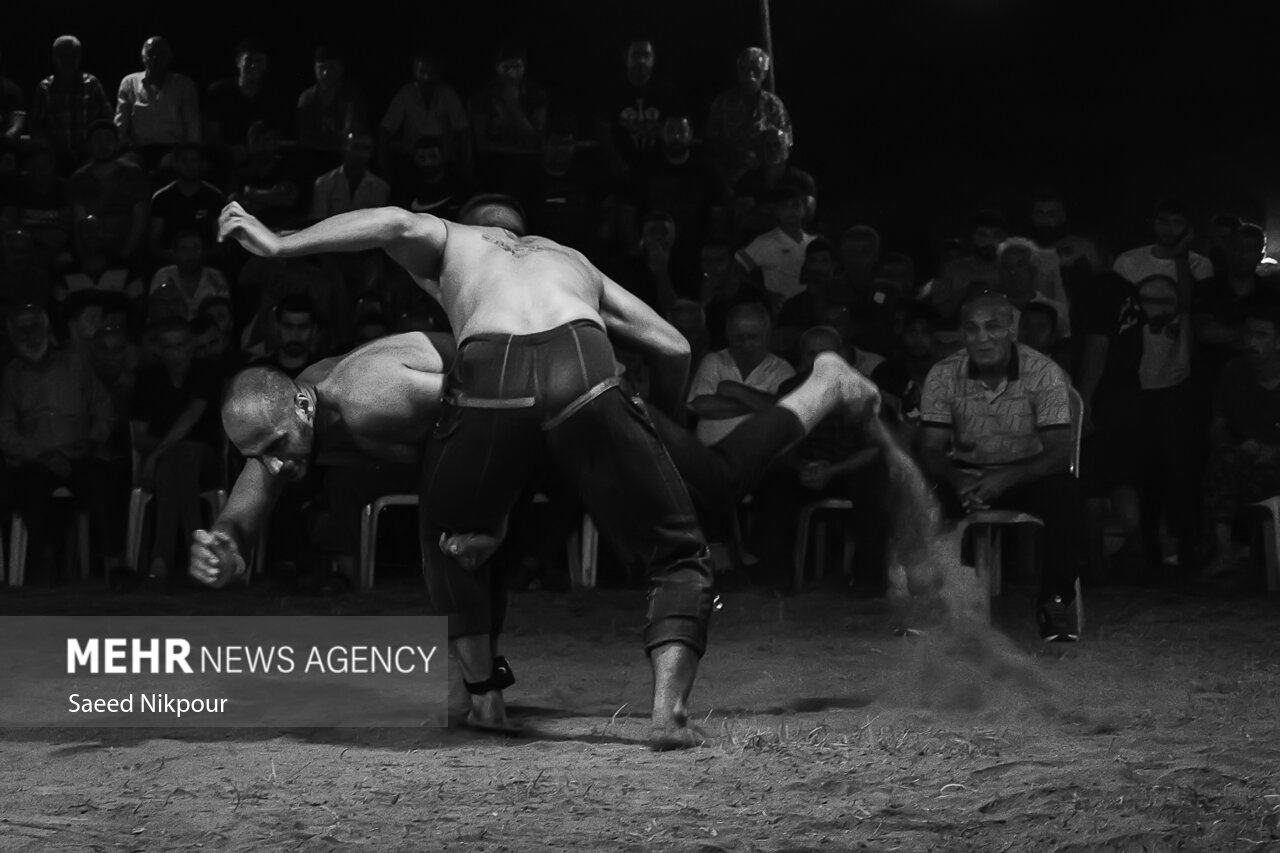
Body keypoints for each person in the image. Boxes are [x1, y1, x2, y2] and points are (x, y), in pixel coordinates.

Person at [208, 196, 879, 748]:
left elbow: (396, 223)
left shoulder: (418, 308)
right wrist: (232, 531)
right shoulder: (569, 260)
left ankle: (486, 698)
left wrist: (279, 243)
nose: (272, 462)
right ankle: (664, 710)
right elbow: (674, 344)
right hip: (587, 370)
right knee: (701, 502)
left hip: (499, 385)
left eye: (273, 446)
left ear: (483, 232)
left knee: (448, 533)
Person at [917, 291, 1081, 641]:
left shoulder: (1043, 372)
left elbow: (1059, 453)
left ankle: (1055, 601)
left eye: (992, 327)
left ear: (1011, 329)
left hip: (1027, 472)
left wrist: (1004, 479)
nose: (982, 338)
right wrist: (956, 476)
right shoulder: (944, 373)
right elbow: (930, 448)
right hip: (967, 473)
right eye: (972, 329)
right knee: (918, 491)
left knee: (1066, 494)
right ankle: (927, 601)